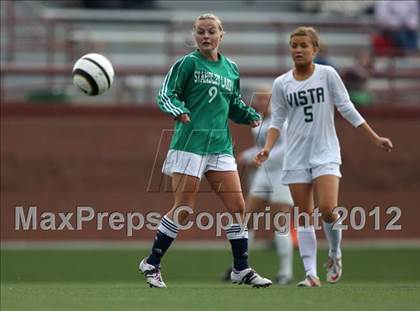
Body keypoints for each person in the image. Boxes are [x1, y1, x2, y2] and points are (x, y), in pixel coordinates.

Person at [138, 13, 272, 289]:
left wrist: (249, 115)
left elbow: (233, 103)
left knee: (238, 208)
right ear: (195, 36)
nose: (206, 36)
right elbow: (166, 94)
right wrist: (179, 110)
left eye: (211, 31)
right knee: (184, 210)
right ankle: (152, 262)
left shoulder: (231, 68)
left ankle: (241, 269)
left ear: (221, 35)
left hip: (220, 146)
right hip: (190, 144)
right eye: (201, 32)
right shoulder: (187, 63)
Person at [255, 26, 393, 287]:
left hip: (325, 152)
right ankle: (310, 274)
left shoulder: (327, 74)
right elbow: (278, 119)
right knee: (304, 214)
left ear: (315, 50)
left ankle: (334, 252)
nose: (297, 49)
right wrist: (268, 148)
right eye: (294, 45)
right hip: (296, 155)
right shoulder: (282, 83)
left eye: (303, 45)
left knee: (328, 209)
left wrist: (374, 137)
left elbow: (346, 107)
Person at [222, 87, 295, 285]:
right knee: (245, 218)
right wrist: (245, 156)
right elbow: (260, 148)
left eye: (265, 99)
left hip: (281, 173)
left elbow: (287, 148)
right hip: (264, 174)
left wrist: (261, 159)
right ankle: (239, 266)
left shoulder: (283, 122)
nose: (262, 103)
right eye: (259, 100)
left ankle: (285, 272)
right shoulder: (258, 124)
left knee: (281, 222)